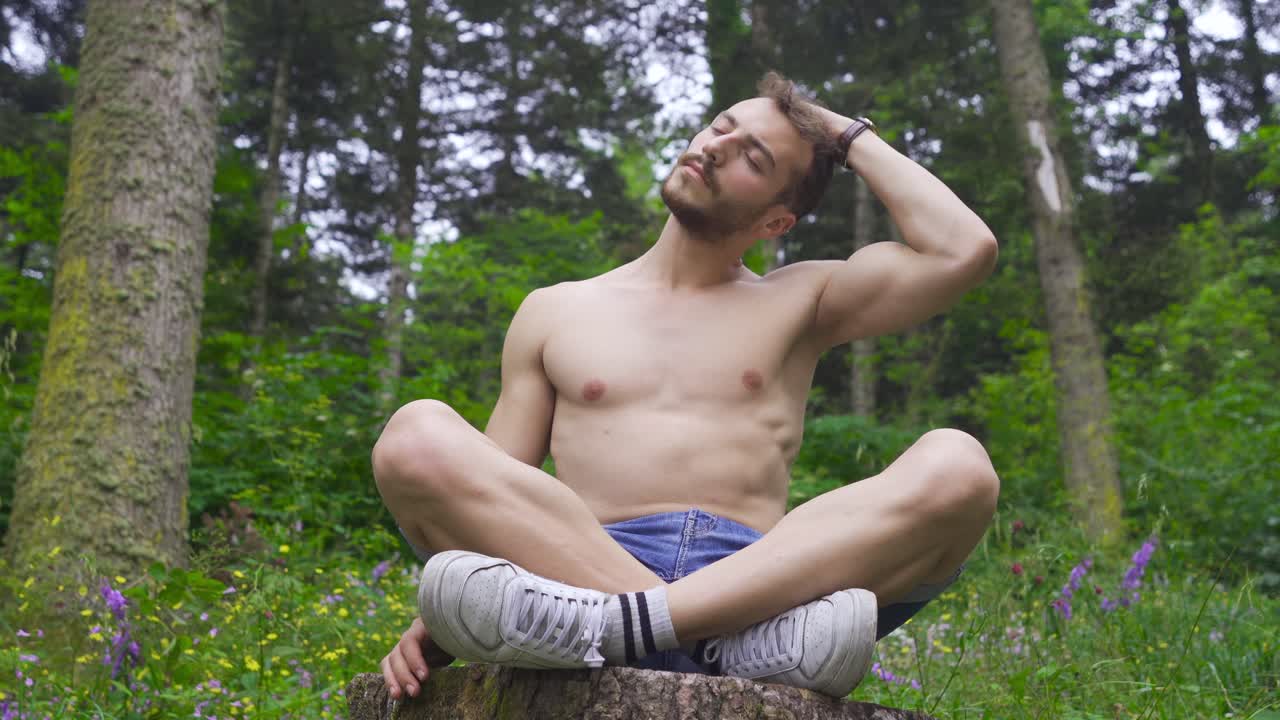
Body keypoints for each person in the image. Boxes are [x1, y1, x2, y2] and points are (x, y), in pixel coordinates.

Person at [373, 71, 1000, 701]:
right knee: (414, 437)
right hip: (584, 565)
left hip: (761, 575)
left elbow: (962, 250)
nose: (717, 147)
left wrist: (842, 133)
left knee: (961, 468)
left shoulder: (805, 299)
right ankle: (718, 645)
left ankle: (620, 629)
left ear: (776, 222)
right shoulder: (555, 309)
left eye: (754, 157)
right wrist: (450, 604)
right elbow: (500, 484)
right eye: (721, 126)